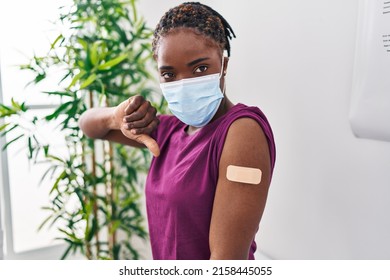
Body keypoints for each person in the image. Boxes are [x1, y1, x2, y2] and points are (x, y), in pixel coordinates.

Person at [79, 2, 276, 260]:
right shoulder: (168, 132)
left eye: (200, 68)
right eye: (169, 74)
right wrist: (117, 116)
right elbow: (88, 125)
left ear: (223, 64)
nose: (184, 84)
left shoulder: (242, 131)